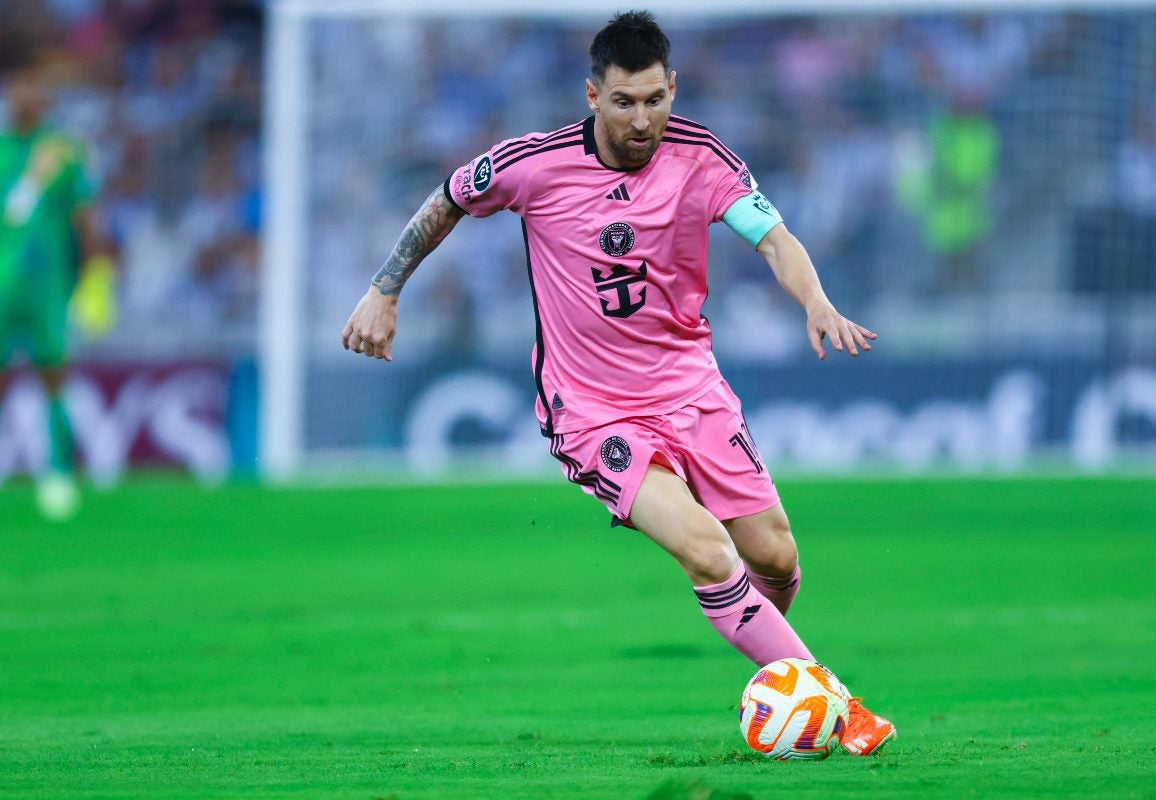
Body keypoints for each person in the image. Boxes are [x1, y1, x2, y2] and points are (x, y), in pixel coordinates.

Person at [342, 11, 895, 756]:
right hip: (594, 412)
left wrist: (816, 299)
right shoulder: (532, 164)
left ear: (674, 87)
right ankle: (835, 705)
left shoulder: (702, 158)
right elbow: (446, 200)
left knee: (775, 558)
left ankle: (773, 665)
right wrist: (385, 287)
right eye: (625, 103)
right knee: (706, 550)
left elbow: (772, 236)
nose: (643, 120)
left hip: (692, 390)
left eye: (656, 100)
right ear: (593, 96)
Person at [1, 60, 115, 519]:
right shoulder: (4, 149)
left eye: (32, 86)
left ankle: (60, 472)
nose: (23, 95)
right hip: (2, 287)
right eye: (17, 85)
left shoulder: (62, 152)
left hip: (47, 286)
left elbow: (85, 218)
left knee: (53, 377)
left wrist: (94, 281)